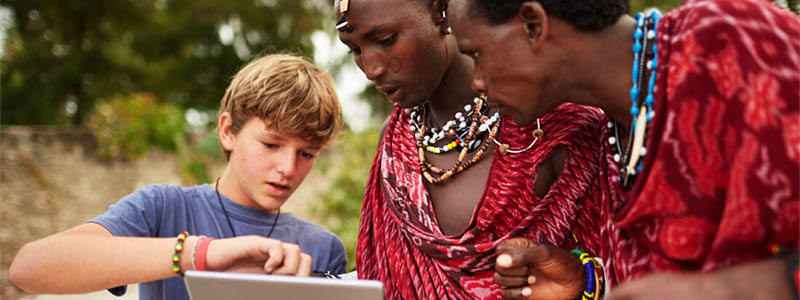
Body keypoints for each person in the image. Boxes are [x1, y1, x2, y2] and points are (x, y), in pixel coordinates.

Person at [446, 0, 800, 299]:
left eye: (476, 54)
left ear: (532, 25)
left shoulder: (727, 39)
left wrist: (754, 285)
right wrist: (583, 282)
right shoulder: (613, 144)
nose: (476, 82)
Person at [335, 0, 616, 299]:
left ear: (438, 11)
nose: (371, 68)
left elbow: (630, 270)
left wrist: (585, 280)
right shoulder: (395, 145)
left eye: (385, 40)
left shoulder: (553, 127)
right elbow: (381, 279)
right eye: (355, 50)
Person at [9, 53, 347, 300]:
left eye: (307, 154)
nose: (288, 168)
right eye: (271, 144)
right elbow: (30, 267)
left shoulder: (324, 249)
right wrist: (196, 254)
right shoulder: (162, 208)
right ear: (228, 131)